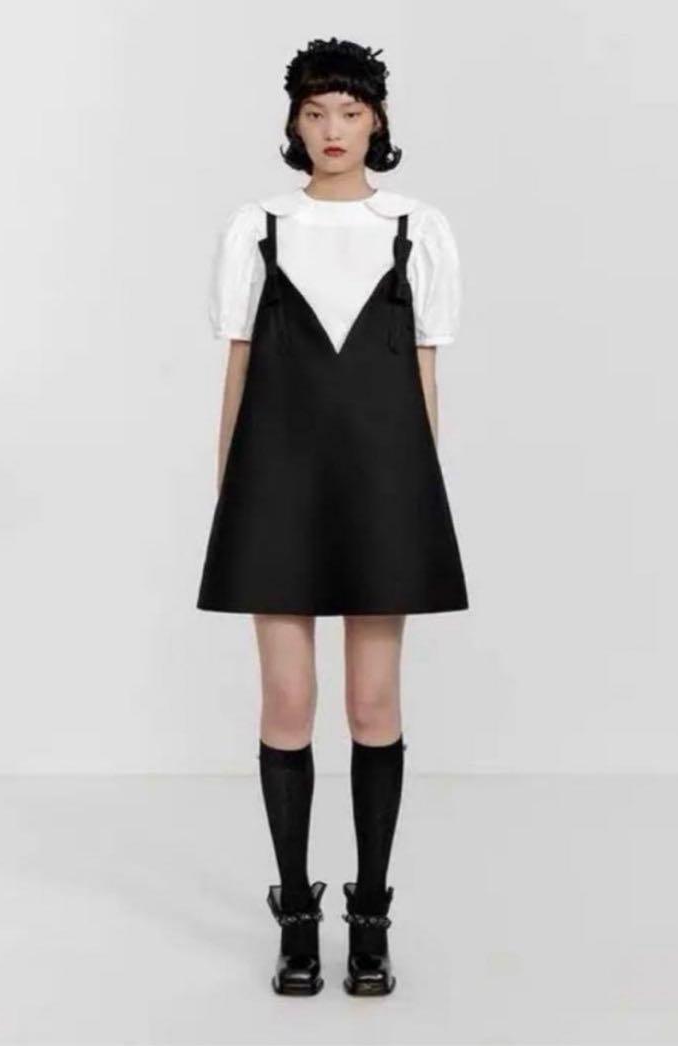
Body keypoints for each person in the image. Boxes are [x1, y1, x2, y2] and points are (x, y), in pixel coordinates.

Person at [196, 36, 469, 997]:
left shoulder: (416, 228)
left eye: (350, 112)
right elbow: (237, 365)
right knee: (287, 702)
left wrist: (421, 495)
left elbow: (425, 373)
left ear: (377, 120)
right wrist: (230, 489)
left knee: (373, 704)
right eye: (315, 114)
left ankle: (372, 914)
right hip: (275, 483)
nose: (332, 130)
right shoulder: (259, 227)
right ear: (293, 124)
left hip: (385, 484)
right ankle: (296, 913)